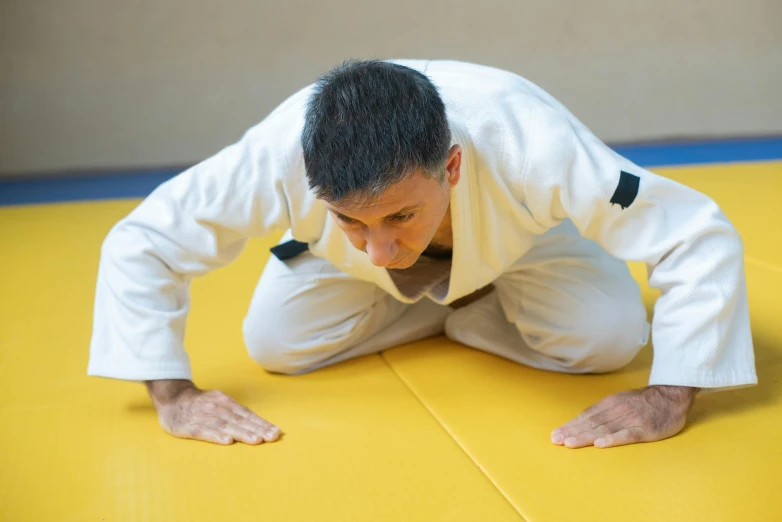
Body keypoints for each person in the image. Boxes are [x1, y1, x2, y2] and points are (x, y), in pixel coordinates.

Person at [87, 59, 757, 449]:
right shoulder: (274, 154)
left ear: (454, 166)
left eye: (401, 214)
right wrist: (171, 395)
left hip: (519, 243)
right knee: (274, 343)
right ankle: (448, 303)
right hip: (333, 270)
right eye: (350, 218)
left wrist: (672, 395)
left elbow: (694, 230)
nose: (381, 247)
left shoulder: (533, 143)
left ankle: (478, 299)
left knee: (609, 339)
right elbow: (142, 240)